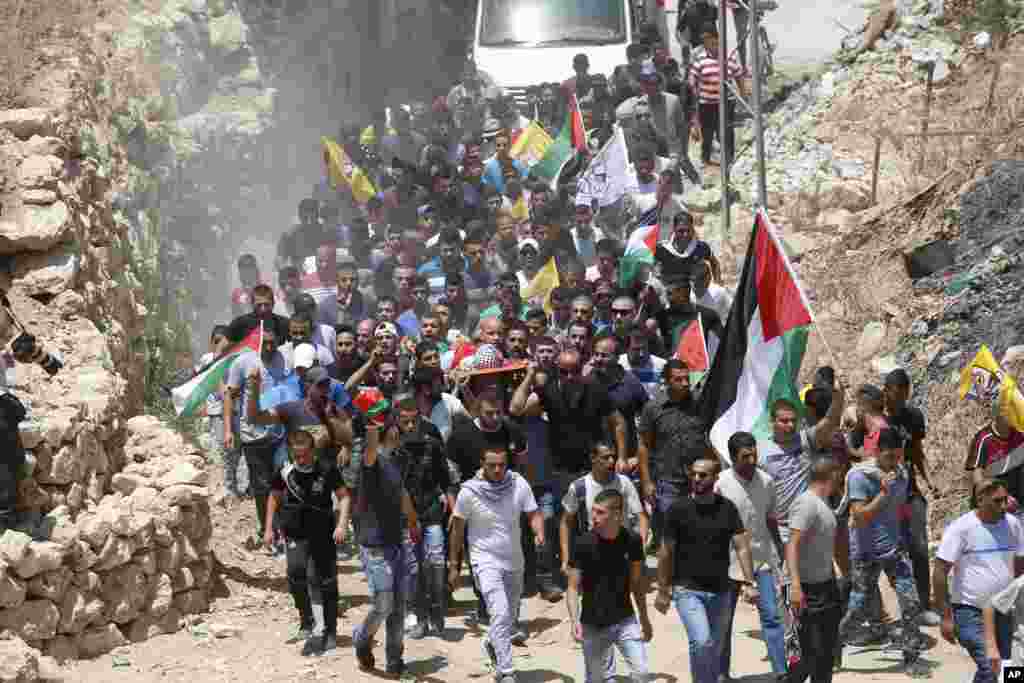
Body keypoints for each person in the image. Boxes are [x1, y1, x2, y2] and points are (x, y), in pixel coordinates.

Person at [654, 456, 758, 683]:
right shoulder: (677, 510)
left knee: (714, 647)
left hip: (722, 591)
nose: (697, 479)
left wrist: (749, 582)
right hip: (687, 589)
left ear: (715, 477)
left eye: (703, 475)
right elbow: (665, 552)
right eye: (693, 474)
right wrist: (663, 589)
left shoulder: (727, 508)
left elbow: (741, 546)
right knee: (702, 641)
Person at [448, 445, 545, 683]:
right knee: (499, 613)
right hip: (484, 560)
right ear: (482, 464)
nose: (498, 469)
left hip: (514, 560)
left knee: (509, 618)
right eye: (492, 465)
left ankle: (493, 643)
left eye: (502, 464)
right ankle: (507, 671)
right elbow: (457, 529)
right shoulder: (469, 492)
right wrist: (453, 565)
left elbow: (533, 513)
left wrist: (539, 532)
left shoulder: (518, 484)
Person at [839, 427, 929, 677]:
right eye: (890, 457)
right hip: (866, 553)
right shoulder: (860, 476)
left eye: (898, 456)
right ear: (877, 451)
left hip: (894, 550)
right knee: (858, 608)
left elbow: (898, 509)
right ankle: (835, 643)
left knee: (911, 604)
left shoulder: (900, 473)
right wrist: (883, 493)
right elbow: (859, 515)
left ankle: (911, 659)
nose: (894, 462)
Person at [265, 430, 350, 656]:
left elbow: (344, 496)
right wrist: (268, 529)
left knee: (326, 582)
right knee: (295, 573)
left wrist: (342, 524)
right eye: (296, 455)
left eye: (304, 455)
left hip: (323, 534)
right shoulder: (285, 471)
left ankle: (330, 630)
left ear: (312, 451)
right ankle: (307, 619)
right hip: (294, 533)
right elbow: (273, 497)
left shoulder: (326, 469)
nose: (300, 460)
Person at [934, 478, 1024, 683]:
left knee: (1008, 670)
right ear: (980, 499)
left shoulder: (1013, 524)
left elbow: (1020, 565)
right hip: (969, 612)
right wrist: (946, 617)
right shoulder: (961, 529)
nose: (1004, 506)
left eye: (1005, 499)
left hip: (1004, 610)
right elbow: (939, 572)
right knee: (992, 666)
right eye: (997, 501)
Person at [380, 396, 454, 640]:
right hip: (405, 516)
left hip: (431, 509)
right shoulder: (391, 447)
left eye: (413, 421)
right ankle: (420, 617)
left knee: (435, 561)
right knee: (413, 569)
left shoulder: (431, 443)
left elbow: (445, 477)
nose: (410, 426)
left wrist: (451, 501)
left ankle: (437, 610)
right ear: (397, 420)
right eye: (405, 421)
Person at [352, 420, 422, 677]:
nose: (400, 430)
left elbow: (401, 493)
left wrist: (413, 520)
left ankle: (395, 660)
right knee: (384, 604)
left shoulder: (395, 462)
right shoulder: (372, 460)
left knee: (398, 606)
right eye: (394, 427)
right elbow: (370, 451)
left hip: (397, 541)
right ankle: (361, 638)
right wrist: (371, 424)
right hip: (374, 544)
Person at [716, 432, 786, 678]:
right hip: (728, 565)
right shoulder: (721, 483)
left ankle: (781, 672)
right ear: (733, 457)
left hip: (761, 560)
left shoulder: (766, 481)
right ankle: (721, 674)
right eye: (746, 456)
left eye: (754, 454)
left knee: (772, 617)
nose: (752, 459)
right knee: (723, 623)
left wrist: (780, 549)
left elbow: (771, 519)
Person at [566, 489, 653, 683]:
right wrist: (574, 621)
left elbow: (637, 583)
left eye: (600, 512)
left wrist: (644, 618)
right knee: (597, 679)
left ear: (617, 514)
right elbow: (572, 587)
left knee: (642, 673)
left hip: (625, 619)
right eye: (593, 511)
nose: (594, 517)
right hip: (592, 623)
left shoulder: (632, 540)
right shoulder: (583, 543)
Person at [225, 317, 290, 549]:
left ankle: (283, 529)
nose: (270, 348)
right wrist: (228, 430)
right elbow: (230, 395)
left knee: (282, 481)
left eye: (274, 343)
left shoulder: (284, 360)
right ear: (259, 341)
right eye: (266, 343)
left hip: (279, 432)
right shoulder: (243, 362)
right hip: (252, 434)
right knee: (261, 486)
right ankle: (267, 529)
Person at [881, 368, 937, 625]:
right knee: (888, 553)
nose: (902, 400)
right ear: (886, 391)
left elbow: (916, 450)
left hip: (910, 493)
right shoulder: (875, 419)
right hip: (882, 497)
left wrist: (929, 479)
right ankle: (888, 608)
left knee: (919, 547)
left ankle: (924, 604)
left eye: (906, 395)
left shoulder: (913, 417)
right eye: (897, 394)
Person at [636, 360, 709, 551]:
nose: (685, 383)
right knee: (669, 534)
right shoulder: (653, 408)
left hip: (698, 479)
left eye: (687, 378)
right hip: (667, 480)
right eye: (678, 379)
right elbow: (643, 445)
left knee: (696, 530)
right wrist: (646, 482)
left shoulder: (699, 404)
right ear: (667, 381)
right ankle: (667, 577)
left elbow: (707, 438)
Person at [785, 458, 843, 683]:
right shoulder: (807, 503)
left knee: (825, 656)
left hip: (826, 587)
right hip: (807, 590)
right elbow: (792, 545)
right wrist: (796, 586)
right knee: (808, 657)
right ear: (833, 475)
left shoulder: (823, 504)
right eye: (839, 475)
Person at [560, 441, 649, 575]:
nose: (612, 461)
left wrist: (639, 550)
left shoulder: (624, 483)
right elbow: (565, 523)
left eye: (613, 456)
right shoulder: (579, 487)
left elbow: (641, 517)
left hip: (621, 552)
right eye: (605, 457)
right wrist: (566, 559)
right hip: (593, 554)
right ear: (593, 458)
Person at [689, 28, 748, 168]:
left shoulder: (729, 58)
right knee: (707, 131)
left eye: (714, 42)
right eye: (708, 43)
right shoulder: (701, 59)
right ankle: (706, 158)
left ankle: (729, 157)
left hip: (726, 102)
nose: (712, 45)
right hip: (706, 104)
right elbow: (692, 78)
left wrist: (743, 94)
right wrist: (693, 91)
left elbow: (738, 75)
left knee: (726, 130)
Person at [231, 254, 264, 318]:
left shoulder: (264, 290)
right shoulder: (236, 293)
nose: (245, 272)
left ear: (255, 270)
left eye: (249, 268)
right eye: (242, 269)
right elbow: (235, 316)